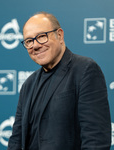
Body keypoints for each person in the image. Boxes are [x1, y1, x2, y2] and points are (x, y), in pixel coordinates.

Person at [7, 12, 111, 150]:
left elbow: (96, 140)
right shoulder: (28, 85)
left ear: (60, 35)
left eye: (42, 36)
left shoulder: (85, 70)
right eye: (29, 41)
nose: (35, 45)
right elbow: (16, 139)